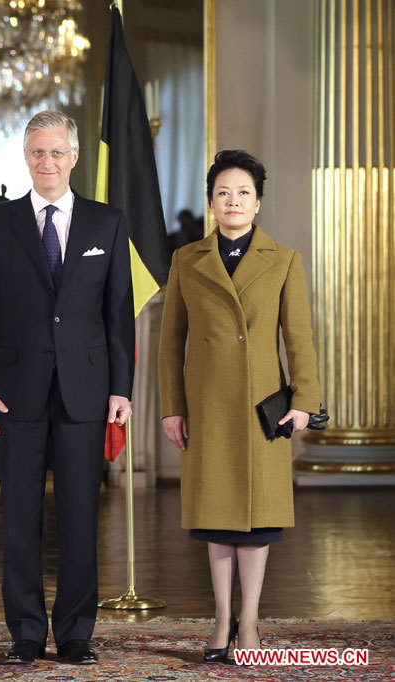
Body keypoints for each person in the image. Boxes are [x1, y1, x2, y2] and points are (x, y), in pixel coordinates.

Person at [0, 110, 135, 665]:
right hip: (14, 394)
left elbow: (118, 317)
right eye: (38, 152)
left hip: (87, 392)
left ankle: (77, 632)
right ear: (25, 156)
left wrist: (121, 388)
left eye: (57, 152)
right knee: (19, 518)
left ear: (75, 157)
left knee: (82, 518)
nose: (48, 162)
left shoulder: (106, 223)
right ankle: (26, 634)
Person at [158, 149, 321, 662]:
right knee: (217, 520)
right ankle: (221, 619)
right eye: (223, 193)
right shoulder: (186, 259)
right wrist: (171, 407)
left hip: (260, 409)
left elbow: (299, 338)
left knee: (255, 523)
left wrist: (305, 401)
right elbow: (170, 344)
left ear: (258, 204)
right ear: (211, 203)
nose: (233, 201)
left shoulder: (284, 260)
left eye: (243, 193)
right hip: (207, 408)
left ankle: (248, 622)